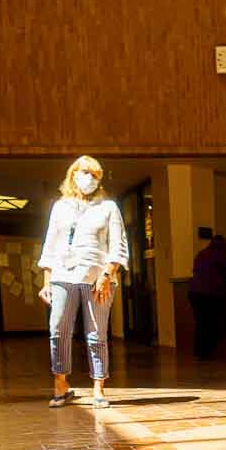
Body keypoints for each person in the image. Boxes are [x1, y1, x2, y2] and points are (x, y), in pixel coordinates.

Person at [37, 156, 129, 407]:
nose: (89, 177)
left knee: (96, 333)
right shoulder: (60, 207)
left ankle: (98, 386)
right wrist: (47, 281)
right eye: (84, 172)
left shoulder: (109, 207)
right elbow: (51, 244)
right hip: (62, 275)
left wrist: (107, 274)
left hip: (97, 278)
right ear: (73, 174)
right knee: (58, 330)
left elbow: (118, 246)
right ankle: (61, 383)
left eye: (95, 174)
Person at [189, 234, 226, 360]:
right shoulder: (220, 254)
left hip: (194, 292)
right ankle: (208, 352)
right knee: (214, 322)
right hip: (210, 294)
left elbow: (195, 270)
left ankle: (199, 353)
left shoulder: (201, 254)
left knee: (201, 323)